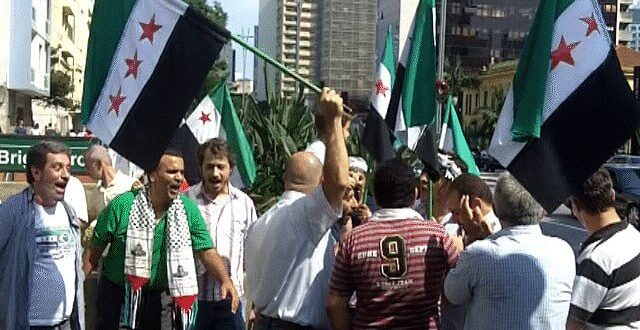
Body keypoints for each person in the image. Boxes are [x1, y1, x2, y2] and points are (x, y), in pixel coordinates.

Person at [84, 149, 239, 329]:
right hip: (120, 297)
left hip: (160, 300)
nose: (179, 178)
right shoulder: (122, 206)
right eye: (172, 172)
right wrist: (76, 289)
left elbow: (206, 251)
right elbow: (92, 254)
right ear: (153, 175)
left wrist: (225, 280)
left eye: (181, 172)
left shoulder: (187, 209)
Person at [245, 88, 349, 329]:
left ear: (285, 179)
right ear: (321, 183)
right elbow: (340, 182)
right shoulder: (307, 213)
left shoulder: (262, 221)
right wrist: (334, 121)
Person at [327, 157, 459, 329]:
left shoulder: (354, 240)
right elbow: (459, 291)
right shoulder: (438, 236)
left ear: (375, 195)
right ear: (415, 195)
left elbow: (335, 303)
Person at [444, 173, 575, 329]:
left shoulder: (478, 254)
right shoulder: (564, 251)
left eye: (456, 212)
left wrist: (472, 238)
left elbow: (453, 295)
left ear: (496, 209)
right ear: (541, 211)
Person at [0, 141, 85, 329]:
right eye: (57, 168)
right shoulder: (12, 211)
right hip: (28, 324)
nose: (66, 175)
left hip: (65, 324)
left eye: (68, 168)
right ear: (36, 173)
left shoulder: (69, 212)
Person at [185, 138, 258, 330]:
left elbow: (253, 254)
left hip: (231, 301)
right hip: (194, 301)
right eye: (209, 167)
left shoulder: (244, 204)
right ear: (201, 168)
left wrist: (255, 304)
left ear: (230, 169)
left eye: (220, 166)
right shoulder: (187, 200)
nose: (215, 173)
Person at [567, 168, 640, 329]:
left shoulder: (596, 258)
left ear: (576, 207)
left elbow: (573, 324)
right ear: (612, 195)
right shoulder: (633, 235)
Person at [445, 173, 502, 246]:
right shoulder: (457, 230)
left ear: (476, 205)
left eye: (457, 212)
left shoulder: (499, 231)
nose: (454, 219)